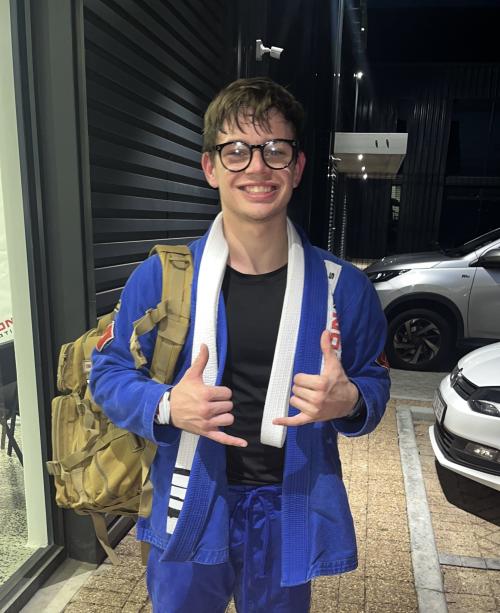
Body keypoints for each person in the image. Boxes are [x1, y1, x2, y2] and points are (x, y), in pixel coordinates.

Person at [90, 77, 390, 613]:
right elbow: (107, 373)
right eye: (236, 151)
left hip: (287, 506)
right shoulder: (164, 278)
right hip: (190, 495)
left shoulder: (342, 287)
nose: (257, 167)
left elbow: (374, 380)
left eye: (275, 150)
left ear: (297, 167)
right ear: (210, 167)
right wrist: (166, 404)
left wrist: (351, 401)